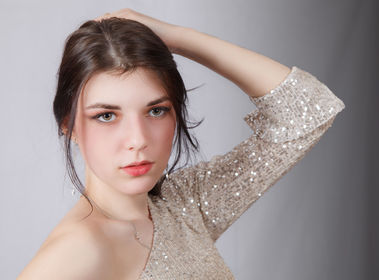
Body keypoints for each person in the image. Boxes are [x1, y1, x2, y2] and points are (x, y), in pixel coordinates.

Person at [17, 8, 345, 280]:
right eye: (106, 116)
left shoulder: (182, 205)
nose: (138, 140)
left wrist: (173, 37)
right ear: (69, 125)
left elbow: (306, 111)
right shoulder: (78, 251)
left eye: (156, 110)